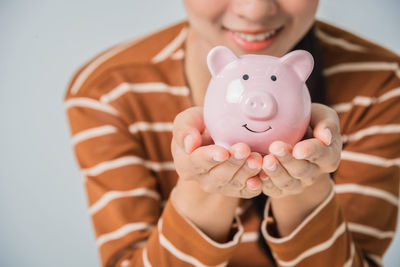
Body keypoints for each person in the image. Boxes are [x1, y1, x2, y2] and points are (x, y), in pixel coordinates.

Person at [64, 0, 400, 266]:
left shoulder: (383, 84)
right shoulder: (107, 92)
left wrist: (304, 188)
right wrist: (203, 187)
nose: (254, 10)